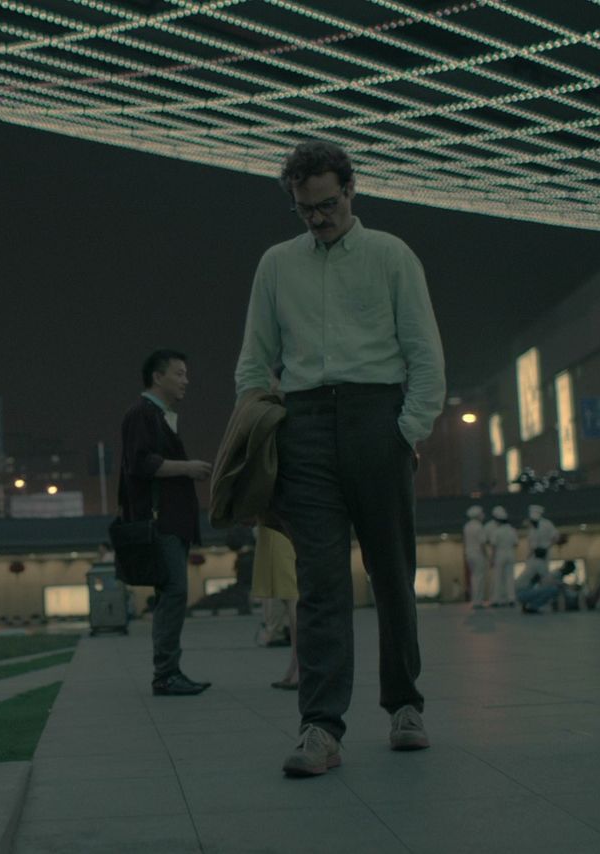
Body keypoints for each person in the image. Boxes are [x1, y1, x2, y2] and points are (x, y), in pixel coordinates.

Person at [235, 140, 446, 777]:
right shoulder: (276, 265)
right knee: (320, 584)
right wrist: (266, 425)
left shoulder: (391, 255)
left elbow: (426, 355)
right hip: (304, 428)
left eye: (327, 204)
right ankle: (320, 729)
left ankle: (405, 706)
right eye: (306, 209)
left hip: (376, 419)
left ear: (351, 191)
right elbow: (253, 360)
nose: (319, 218)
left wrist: (405, 430)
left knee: (392, 574)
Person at [121, 349, 214, 697]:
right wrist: (187, 468)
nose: (186, 380)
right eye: (179, 373)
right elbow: (141, 464)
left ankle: (168, 671)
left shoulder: (158, 416)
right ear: (158, 377)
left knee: (171, 593)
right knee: (174, 592)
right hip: (161, 522)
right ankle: (166, 674)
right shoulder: (142, 415)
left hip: (171, 521)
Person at [252, 525, 300, 690]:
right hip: (277, 524)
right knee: (289, 594)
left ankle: (299, 666)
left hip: (279, 523)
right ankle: (296, 664)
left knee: (291, 594)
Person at [485, 506, 518, 608]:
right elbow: (516, 544)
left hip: (500, 555)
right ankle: (511, 598)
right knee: (510, 578)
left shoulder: (497, 531)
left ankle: (496, 599)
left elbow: (493, 546)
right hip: (510, 554)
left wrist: (491, 559)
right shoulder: (512, 530)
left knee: (498, 577)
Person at [462, 505, 489, 607]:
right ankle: (478, 601)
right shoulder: (479, 526)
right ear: (478, 515)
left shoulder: (467, 526)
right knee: (480, 577)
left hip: (469, 554)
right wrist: (486, 556)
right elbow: (482, 544)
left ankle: (474, 600)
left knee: (474, 578)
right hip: (478, 555)